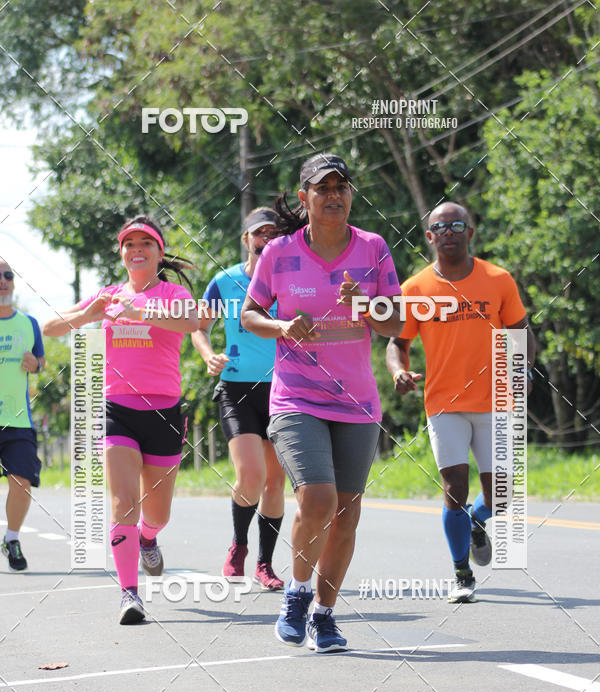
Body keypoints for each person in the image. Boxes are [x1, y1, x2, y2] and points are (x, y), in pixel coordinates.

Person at [241, 153, 403, 652]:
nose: (334, 195)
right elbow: (250, 315)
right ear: (304, 196)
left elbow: (396, 324)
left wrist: (366, 305)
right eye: (323, 187)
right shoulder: (280, 252)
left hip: (357, 402)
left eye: (342, 186)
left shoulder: (373, 248)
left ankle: (325, 616)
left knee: (347, 514)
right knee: (318, 499)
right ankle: (297, 594)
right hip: (296, 397)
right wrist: (282, 325)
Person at [43, 216, 199, 624]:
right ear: (122, 253)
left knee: (158, 513)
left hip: (163, 411)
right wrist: (89, 313)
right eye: (129, 244)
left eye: (146, 243)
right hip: (116, 410)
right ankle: (130, 594)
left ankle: (149, 537)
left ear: (159, 252)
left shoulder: (173, 293)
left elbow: (194, 321)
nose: (137, 249)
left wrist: (141, 309)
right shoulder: (108, 295)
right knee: (122, 502)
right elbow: (49, 327)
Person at [387, 201, 535, 603]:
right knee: (454, 488)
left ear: (470, 232)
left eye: (457, 225)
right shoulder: (416, 288)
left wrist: (521, 372)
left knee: (501, 496)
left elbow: (521, 331)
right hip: (444, 403)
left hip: (495, 400)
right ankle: (461, 573)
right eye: (440, 227)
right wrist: (399, 372)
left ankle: (475, 521)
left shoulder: (498, 279)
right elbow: (397, 344)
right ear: (430, 237)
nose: (449, 231)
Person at [192, 207, 286, 590]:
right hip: (236, 389)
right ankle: (239, 545)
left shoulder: (292, 281)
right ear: (246, 239)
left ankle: (265, 563)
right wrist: (207, 354)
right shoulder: (224, 281)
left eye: (273, 233)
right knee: (250, 474)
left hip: (284, 389)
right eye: (258, 233)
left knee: (275, 483)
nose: (265, 239)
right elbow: (199, 326)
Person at [0, 261, 46, 571]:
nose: (3, 281)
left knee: (22, 480)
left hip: (17, 420)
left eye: (7, 275)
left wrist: (37, 365)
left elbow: (41, 360)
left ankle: (11, 538)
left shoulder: (29, 324)